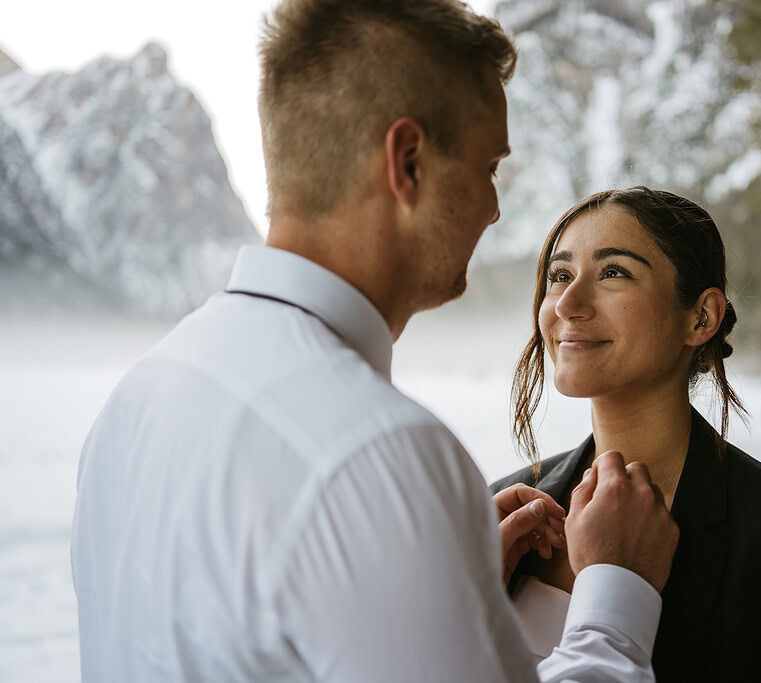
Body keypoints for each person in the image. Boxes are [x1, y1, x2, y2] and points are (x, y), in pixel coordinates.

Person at [69, 2, 679, 681]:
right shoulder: (377, 453)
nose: (493, 207)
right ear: (408, 162)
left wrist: (435, 578)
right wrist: (615, 594)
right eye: (487, 166)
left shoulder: (142, 393)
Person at [491, 187, 761, 682]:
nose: (567, 304)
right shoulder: (491, 522)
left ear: (701, 317)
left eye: (614, 272)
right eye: (560, 276)